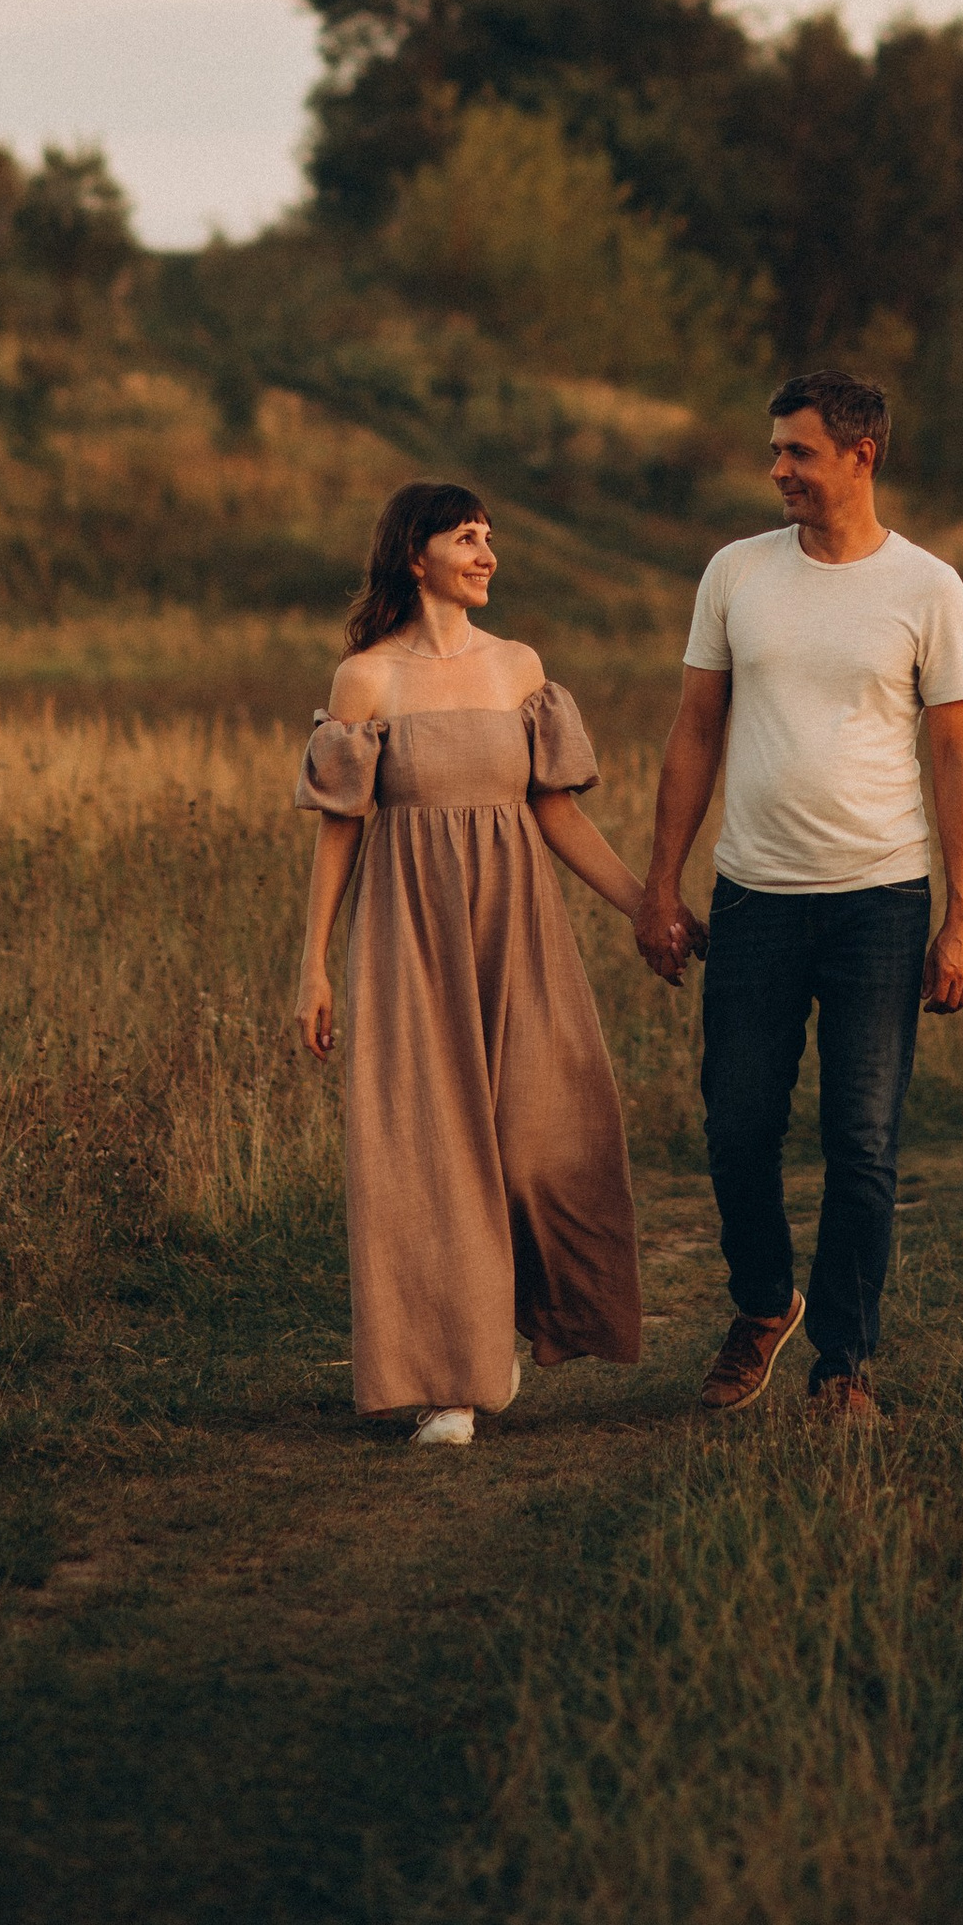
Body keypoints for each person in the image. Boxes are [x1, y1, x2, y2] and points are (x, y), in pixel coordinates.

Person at [633, 372, 963, 1423]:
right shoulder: (736, 572)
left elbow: (957, 760)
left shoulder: (929, 588)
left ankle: (842, 1365)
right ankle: (762, 1303)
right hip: (754, 896)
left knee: (861, 1141)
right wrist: (660, 885)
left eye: (798, 451)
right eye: (775, 449)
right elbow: (695, 730)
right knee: (736, 1125)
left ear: (860, 456)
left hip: (880, 899)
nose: (777, 469)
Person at [293, 480, 670, 1448]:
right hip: (408, 934)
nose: (487, 553)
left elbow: (557, 813)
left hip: (519, 926)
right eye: (467, 537)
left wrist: (647, 905)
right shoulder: (366, 680)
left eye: (489, 536)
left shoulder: (519, 669)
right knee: (428, 1151)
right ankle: (451, 1379)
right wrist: (314, 966)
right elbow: (339, 831)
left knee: (547, 1133)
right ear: (413, 555)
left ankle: (534, 1317)